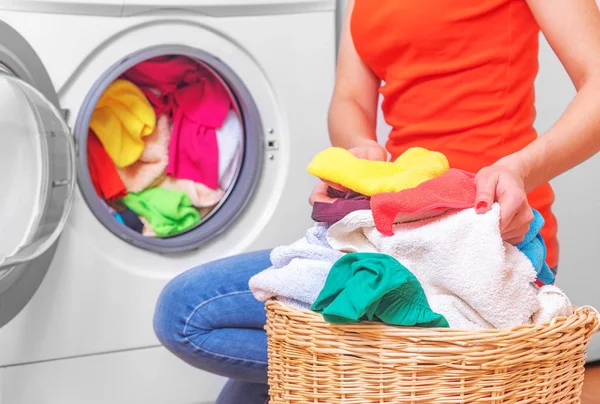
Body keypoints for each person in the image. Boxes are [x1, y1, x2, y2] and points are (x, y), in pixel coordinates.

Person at [153, 0, 600, 402]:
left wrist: (518, 169)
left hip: (486, 239)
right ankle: (386, 379)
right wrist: (359, 149)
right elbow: (349, 98)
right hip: (390, 230)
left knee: (188, 312)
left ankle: (381, 378)